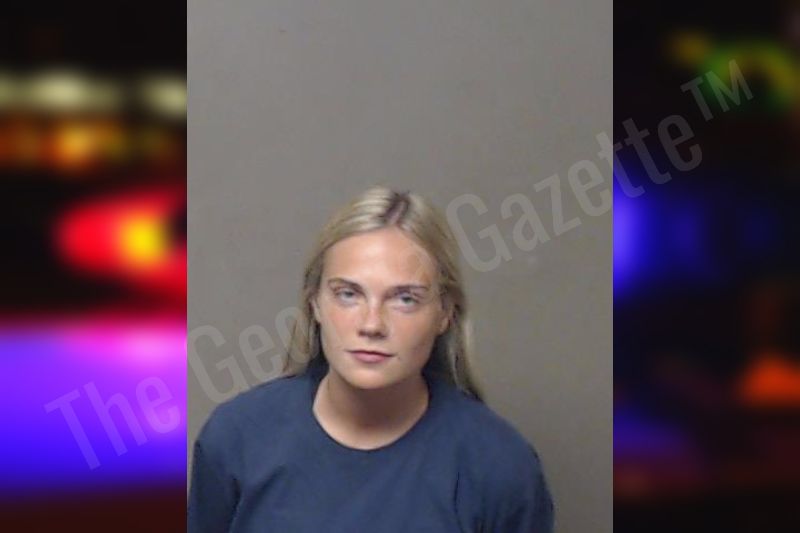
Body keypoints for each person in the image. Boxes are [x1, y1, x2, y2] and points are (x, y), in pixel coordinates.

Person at [188, 186, 554, 532]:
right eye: (348, 294)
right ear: (315, 302)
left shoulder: (500, 467)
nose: (372, 324)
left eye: (405, 299)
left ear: (445, 313)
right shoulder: (237, 439)